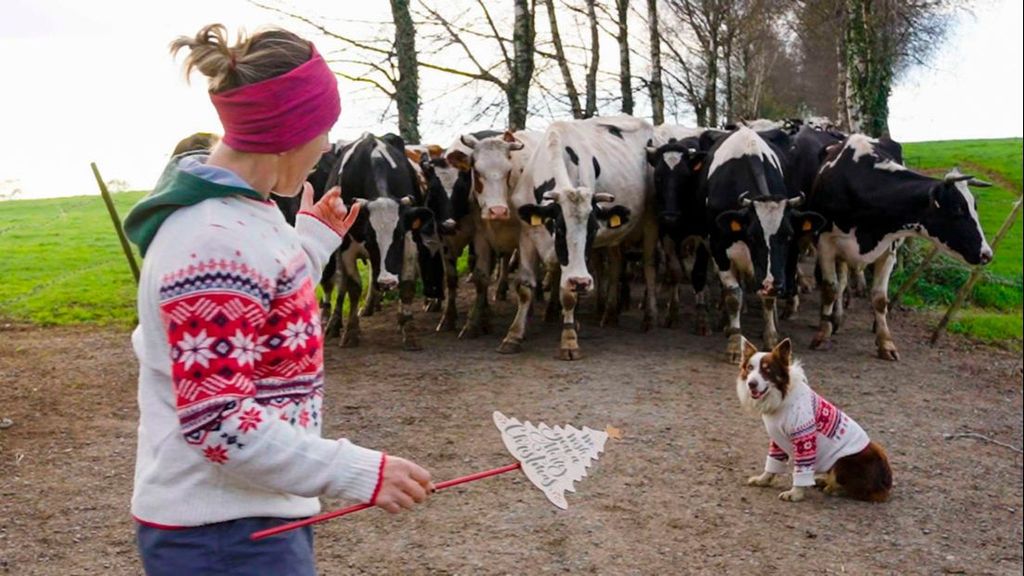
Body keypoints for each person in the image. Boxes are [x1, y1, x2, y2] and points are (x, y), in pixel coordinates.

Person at [123, 24, 433, 575]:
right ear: (291, 133)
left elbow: (253, 316)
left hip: (246, 516)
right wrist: (355, 470)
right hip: (221, 536)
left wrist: (310, 244)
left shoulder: (241, 218)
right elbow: (219, 418)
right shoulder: (212, 241)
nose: (324, 150)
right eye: (323, 132)